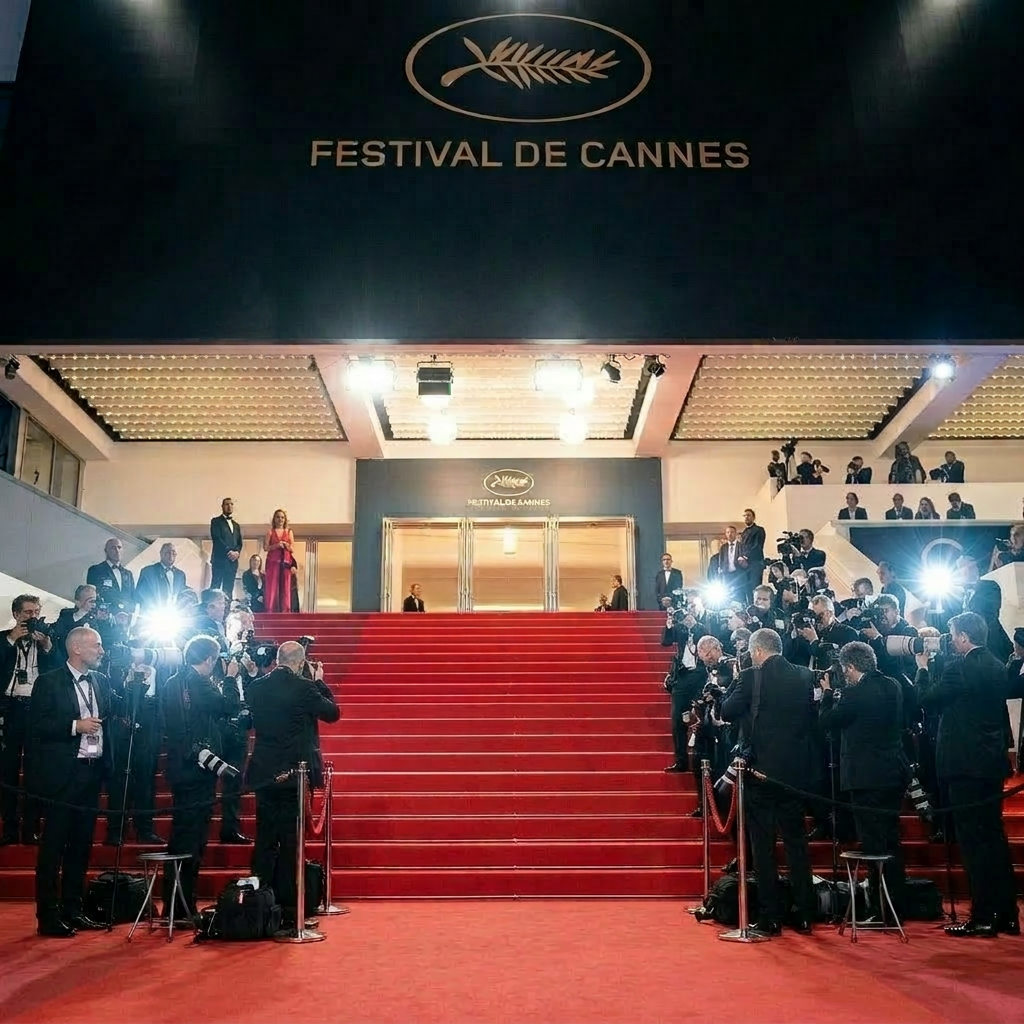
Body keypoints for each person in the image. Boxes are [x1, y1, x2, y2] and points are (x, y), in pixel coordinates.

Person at [917, 612, 1019, 937]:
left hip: (963, 766)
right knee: (994, 838)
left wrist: (921, 668)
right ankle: (1007, 913)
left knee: (973, 843)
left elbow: (926, 699)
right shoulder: (996, 664)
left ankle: (983, 916)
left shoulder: (958, 668)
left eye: (953, 636)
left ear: (962, 637)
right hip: (990, 764)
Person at [721, 628, 817, 935]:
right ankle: (804, 913)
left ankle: (770, 916)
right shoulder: (804, 676)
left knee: (762, 847)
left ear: (756, 651)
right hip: (795, 775)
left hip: (761, 773)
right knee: (796, 844)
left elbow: (726, 710)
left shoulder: (750, 676)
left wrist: (737, 679)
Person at [246, 641, 340, 928]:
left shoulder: (256, 687)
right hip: (294, 775)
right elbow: (333, 713)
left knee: (264, 841)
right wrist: (320, 682)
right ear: (301, 663)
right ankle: (289, 910)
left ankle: (259, 905)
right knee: (290, 843)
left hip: (264, 773)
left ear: (277, 659)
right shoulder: (304, 687)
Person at [28, 626, 112, 936]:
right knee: (54, 847)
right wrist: (75, 725)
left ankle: (74, 908)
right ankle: (48, 914)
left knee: (81, 845)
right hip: (62, 775)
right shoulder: (48, 682)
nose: (102, 651)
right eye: (97, 645)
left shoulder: (100, 681)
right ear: (77, 648)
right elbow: (37, 726)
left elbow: (113, 714)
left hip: (91, 772)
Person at [820, 642, 908, 917]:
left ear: (850, 667)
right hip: (892, 775)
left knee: (872, 845)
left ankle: (881, 909)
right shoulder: (892, 685)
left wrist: (825, 694)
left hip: (865, 779)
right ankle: (896, 903)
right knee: (891, 840)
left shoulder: (853, 694)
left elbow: (827, 722)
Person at [160, 635, 237, 915]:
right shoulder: (200, 683)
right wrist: (230, 679)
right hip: (197, 771)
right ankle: (182, 907)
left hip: (182, 768)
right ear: (210, 660)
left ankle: (176, 904)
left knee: (181, 836)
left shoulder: (172, 682)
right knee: (192, 839)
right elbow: (229, 706)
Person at [1, 595, 57, 845]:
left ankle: (32, 827)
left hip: (37, 709)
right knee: (7, 771)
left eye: (36, 612)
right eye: (27, 613)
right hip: (10, 709)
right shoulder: (4, 638)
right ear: (16, 614)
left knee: (37, 771)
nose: (32, 617)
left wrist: (46, 646)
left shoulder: (44, 640)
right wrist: (12, 639)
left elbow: (58, 671)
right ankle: (9, 828)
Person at [86, 538, 136, 612]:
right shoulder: (95, 570)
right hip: (104, 615)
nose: (117, 551)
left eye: (119, 547)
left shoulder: (128, 574)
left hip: (124, 617)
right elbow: (91, 595)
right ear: (106, 551)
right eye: (113, 548)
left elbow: (132, 596)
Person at [135, 542, 188, 611]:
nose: (171, 555)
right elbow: (140, 595)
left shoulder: (180, 574)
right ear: (161, 554)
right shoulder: (148, 571)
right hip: (153, 613)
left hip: (174, 614)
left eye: (173, 553)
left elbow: (182, 595)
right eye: (168, 553)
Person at [52, 585, 99, 661]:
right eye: (91, 601)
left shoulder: (93, 623)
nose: (94, 604)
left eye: (94, 601)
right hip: (60, 656)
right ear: (78, 602)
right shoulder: (66, 614)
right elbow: (57, 631)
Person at [264, 508, 296, 613]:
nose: (280, 519)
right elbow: (265, 547)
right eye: (278, 517)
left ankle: (285, 610)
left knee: (286, 587)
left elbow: (292, 549)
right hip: (273, 562)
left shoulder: (289, 532)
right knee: (272, 586)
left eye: (282, 517)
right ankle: (270, 609)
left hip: (285, 562)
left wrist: (286, 545)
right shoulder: (270, 532)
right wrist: (276, 545)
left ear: (285, 519)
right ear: (274, 519)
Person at [210, 497, 243, 597]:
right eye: (227, 504)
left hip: (232, 562)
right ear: (222, 507)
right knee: (215, 586)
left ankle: (227, 610)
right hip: (220, 560)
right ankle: (211, 610)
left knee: (229, 588)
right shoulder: (215, 521)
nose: (229, 506)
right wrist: (229, 552)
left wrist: (237, 552)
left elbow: (239, 542)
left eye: (231, 504)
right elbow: (217, 538)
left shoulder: (236, 525)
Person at [738, 509, 766, 599]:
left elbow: (757, 546)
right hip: (744, 565)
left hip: (755, 563)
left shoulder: (759, 530)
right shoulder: (744, 532)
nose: (746, 517)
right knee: (746, 589)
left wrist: (745, 557)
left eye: (748, 515)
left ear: (753, 517)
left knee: (755, 588)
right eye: (745, 515)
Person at [717, 526, 745, 597]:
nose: (730, 534)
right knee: (726, 593)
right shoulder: (723, 547)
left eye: (732, 532)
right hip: (726, 574)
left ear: (736, 533)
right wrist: (721, 569)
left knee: (739, 593)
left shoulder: (741, 546)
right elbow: (721, 560)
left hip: (738, 573)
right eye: (728, 532)